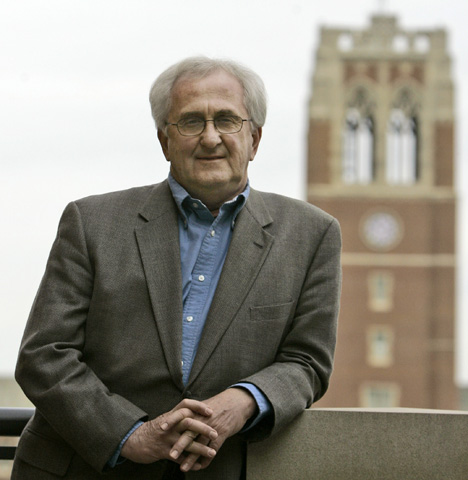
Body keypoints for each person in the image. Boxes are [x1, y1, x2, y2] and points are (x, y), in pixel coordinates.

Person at [12, 56, 342, 480]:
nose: (210, 138)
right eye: (190, 122)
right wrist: (129, 434)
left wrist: (244, 400)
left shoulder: (312, 234)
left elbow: (307, 362)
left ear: (254, 139)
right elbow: (44, 355)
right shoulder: (91, 222)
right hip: (83, 469)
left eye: (227, 120)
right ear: (164, 140)